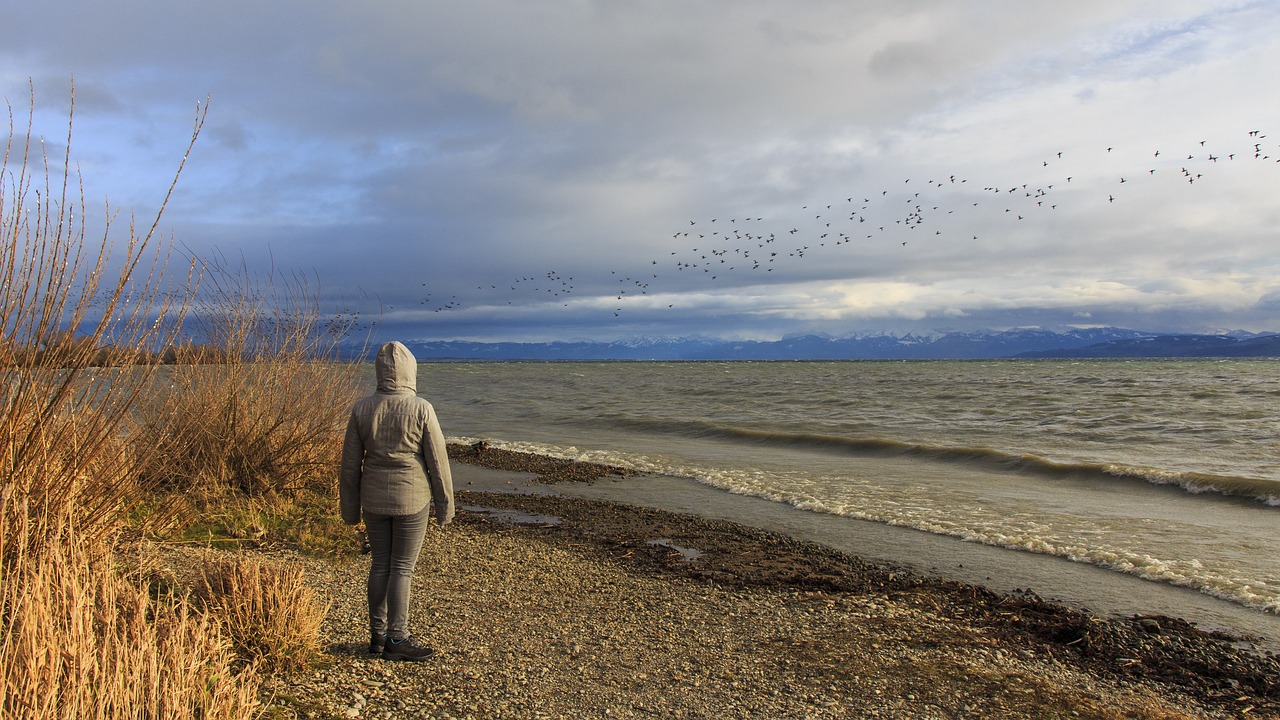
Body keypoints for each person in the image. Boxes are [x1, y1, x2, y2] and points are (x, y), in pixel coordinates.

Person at [340, 340, 454, 662]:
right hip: (412, 498)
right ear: (410, 372)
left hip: (372, 498)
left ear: (380, 372)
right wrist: (445, 508)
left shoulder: (362, 408)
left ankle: (377, 635)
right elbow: (438, 463)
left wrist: (349, 510)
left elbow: (349, 465)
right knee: (401, 568)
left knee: (380, 565)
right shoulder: (421, 409)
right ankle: (397, 638)